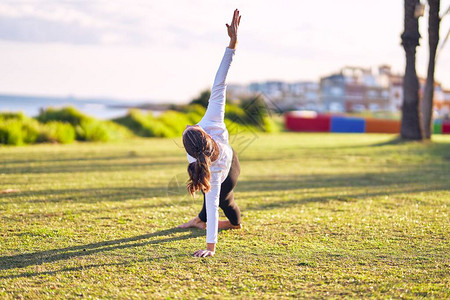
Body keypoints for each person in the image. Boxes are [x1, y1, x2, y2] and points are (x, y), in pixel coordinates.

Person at [178, 9, 242, 257]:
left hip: (230, 168)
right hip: (218, 166)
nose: (186, 126)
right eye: (189, 129)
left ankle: (236, 224)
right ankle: (198, 220)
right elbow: (220, 82)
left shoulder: (201, 163)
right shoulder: (211, 120)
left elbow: (214, 206)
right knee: (209, 196)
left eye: (187, 129)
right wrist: (233, 43)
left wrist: (209, 249)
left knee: (225, 201)